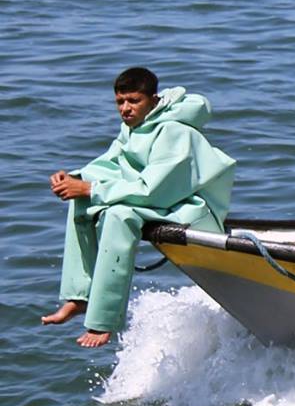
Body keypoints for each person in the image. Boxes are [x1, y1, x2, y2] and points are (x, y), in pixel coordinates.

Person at [43, 67, 236, 347]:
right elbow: (110, 165)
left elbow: (153, 190)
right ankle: (80, 296)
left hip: (192, 209)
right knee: (82, 201)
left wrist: (91, 189)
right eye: (120, 102)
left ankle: (104, 320)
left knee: (119, 215)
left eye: (134, 101)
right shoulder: (134, 127)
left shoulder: (174, 131)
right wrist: (76, 179)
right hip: (162, 203)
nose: (126, 109)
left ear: (153, 100)